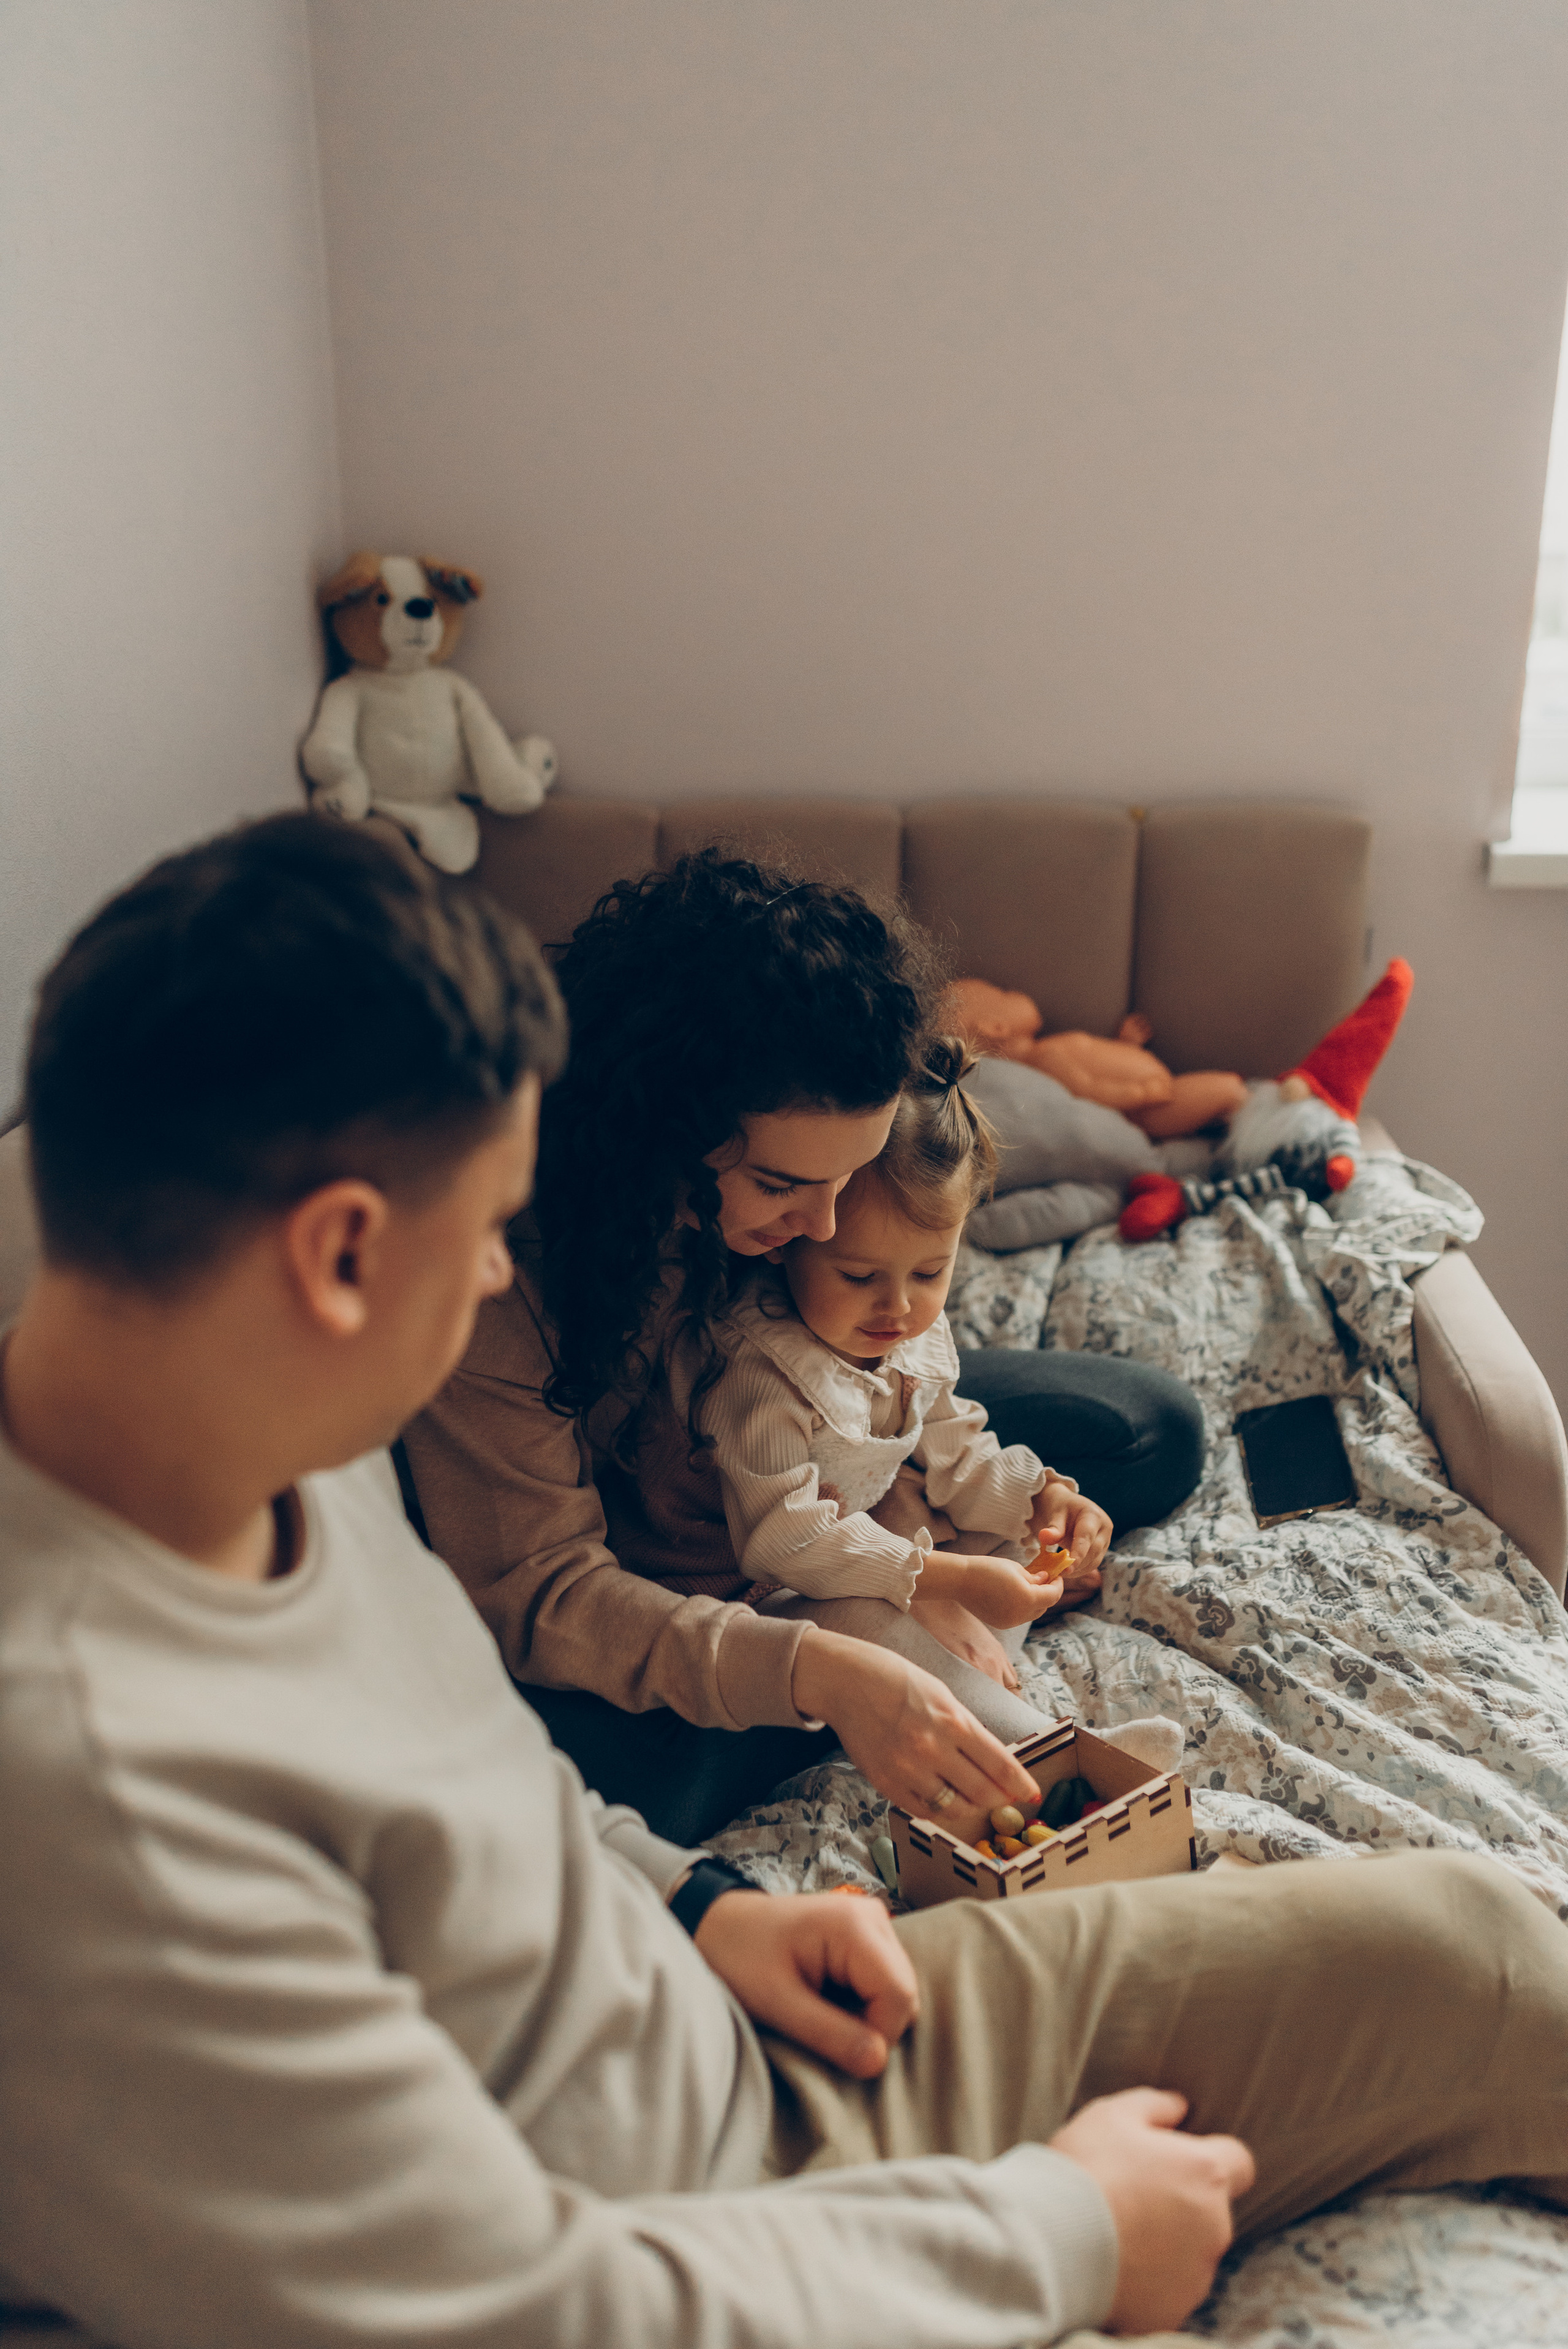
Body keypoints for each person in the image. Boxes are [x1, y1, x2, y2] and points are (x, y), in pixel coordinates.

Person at [5, 812, 1566, 2349]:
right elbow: (541, 2305)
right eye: (482, 1229)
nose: (496, 1272)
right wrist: (1066, 2231)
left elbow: (470, 1776)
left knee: (1478, 1944)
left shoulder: (272, 1436)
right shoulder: (95, 1805)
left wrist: (691, 1904)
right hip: (705, 2206)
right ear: (337, 1256)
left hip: (744, 2020)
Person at [403, 852, 1206, 1842]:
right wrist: (836, 1649)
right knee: (631, 1793)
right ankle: (934, 1717)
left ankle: (888, 1679)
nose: (826, 1228)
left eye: (851, 1176)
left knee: (1153, 1430)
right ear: (663, 1135)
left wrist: (916, 1559)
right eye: (786, 1185)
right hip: (671, 1557)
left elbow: (850, 1400)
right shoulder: (499, 1274)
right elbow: (548, 1593)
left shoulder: (789, 1217)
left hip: (808, 1442)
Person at [691, 1038, 1109, 1768]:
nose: (897, 1306)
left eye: (930, 1271)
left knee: (1007, 1547)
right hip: (776, 1597)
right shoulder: (760, 1372)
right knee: (858, 1619)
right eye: (856, 1276)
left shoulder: (905, 1327)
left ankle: (972, 1672)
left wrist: (1043, 1501)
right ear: (791, 1241)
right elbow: (785, 1543)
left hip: (886, 1557)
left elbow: (958, 1451)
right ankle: (1035, 1749)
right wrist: (940, 1583)